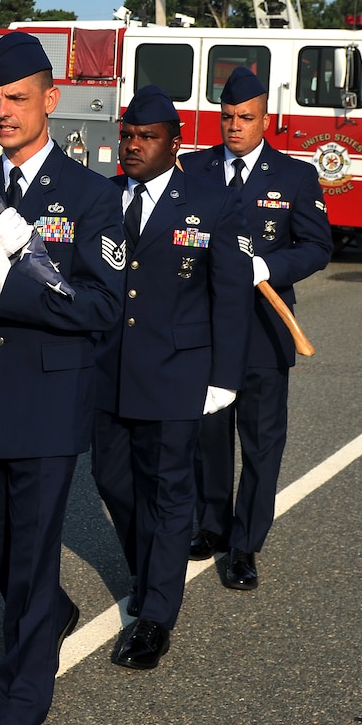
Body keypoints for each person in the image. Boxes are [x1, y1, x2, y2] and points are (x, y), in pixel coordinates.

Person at [0, 32, 125, 725]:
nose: (2, 112)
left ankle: (19, 705)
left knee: (28, 551)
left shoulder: (90, 197)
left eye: (16, 99)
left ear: (50, 100)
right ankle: (46, 612)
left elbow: (101, 307)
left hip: (46, 405)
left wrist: (13, 285)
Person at [91, 84, 250, 670]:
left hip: (177, 372)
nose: (131, 146)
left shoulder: (211, 202)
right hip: (107, 370)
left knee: (167, 490)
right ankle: (149, 567)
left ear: (174, 144)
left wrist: (223, 376)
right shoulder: (103, 198)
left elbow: (229, 294)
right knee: (112, 481)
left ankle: (156, 611)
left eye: (146, 137)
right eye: (127, 135)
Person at [182, 65, 332, 589]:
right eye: (226, 117)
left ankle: (246, 545)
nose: (234, 127)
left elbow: (318, 247)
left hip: (265, 333)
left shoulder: (294, 177)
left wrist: (269, 267)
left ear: (265, 119)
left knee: (262, 444)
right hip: (205, 331)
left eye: (245, 118)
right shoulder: (193, 172)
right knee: (209, 439)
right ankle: (212, 526)